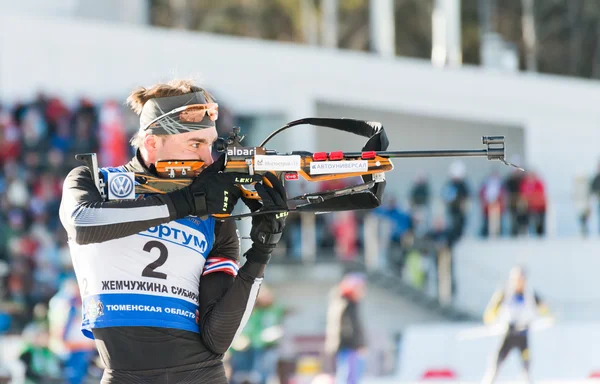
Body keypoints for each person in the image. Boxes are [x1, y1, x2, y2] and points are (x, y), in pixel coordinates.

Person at [58, 79, 288, 383]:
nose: (208, 159)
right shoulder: (95, 182)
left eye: (211, 144)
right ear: (152, 143)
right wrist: (182, 204)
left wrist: (260, 253)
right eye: (195, 144)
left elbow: (218, 339)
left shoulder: (213, 215)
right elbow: (82, 223)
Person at [481, 266, 551, 384]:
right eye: (516, 279)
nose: (519, 282)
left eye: (521, 279)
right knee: (496, 363)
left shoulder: (531, 295)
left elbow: (544, 310)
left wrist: (545, 313)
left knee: (526, 366)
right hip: (508, 333)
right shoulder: (504, 294)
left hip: (523, 335)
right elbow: (490, 313)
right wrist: (492, 322)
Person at [324, 273, 368, 384]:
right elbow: (347, 329)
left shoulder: (345, 302)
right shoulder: (345, 304)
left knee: (350, 375)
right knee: (349, 376)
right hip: (348, 346)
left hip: (348, 346)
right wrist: (358, 344)